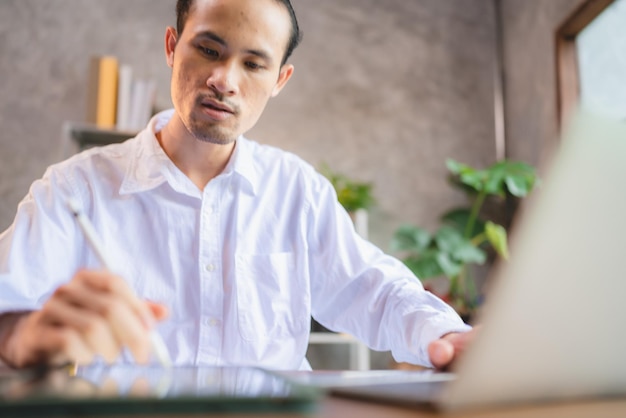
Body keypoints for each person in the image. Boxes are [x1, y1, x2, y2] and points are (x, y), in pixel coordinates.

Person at [0, 0, 473, 371]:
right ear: (171, 46)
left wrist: (447, 335)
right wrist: (20, 337)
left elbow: (376, 290)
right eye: (208, 50)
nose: (223, 80)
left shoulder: (298, 192)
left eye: (253, 64)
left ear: (280, 80)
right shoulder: (74, 189)